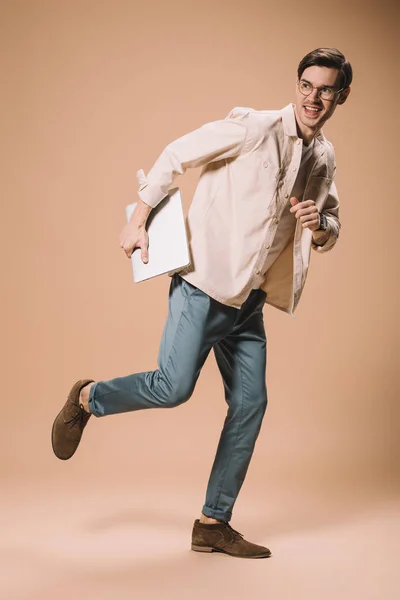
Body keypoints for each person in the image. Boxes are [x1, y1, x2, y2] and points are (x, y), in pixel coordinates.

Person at [51, 47, 352, 559]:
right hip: (203, 286)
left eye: (326, 89)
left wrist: (319, 226)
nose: (313, 97)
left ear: (340, 96)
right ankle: (87, 398)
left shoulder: (323, 157)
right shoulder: (254, 128)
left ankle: (213, 522)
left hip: (250, 303)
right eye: (306, 84)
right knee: (173, 388)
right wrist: (138, 219)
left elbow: (333, 222)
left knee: (251, 403)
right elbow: (177, 154)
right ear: (297, 85)